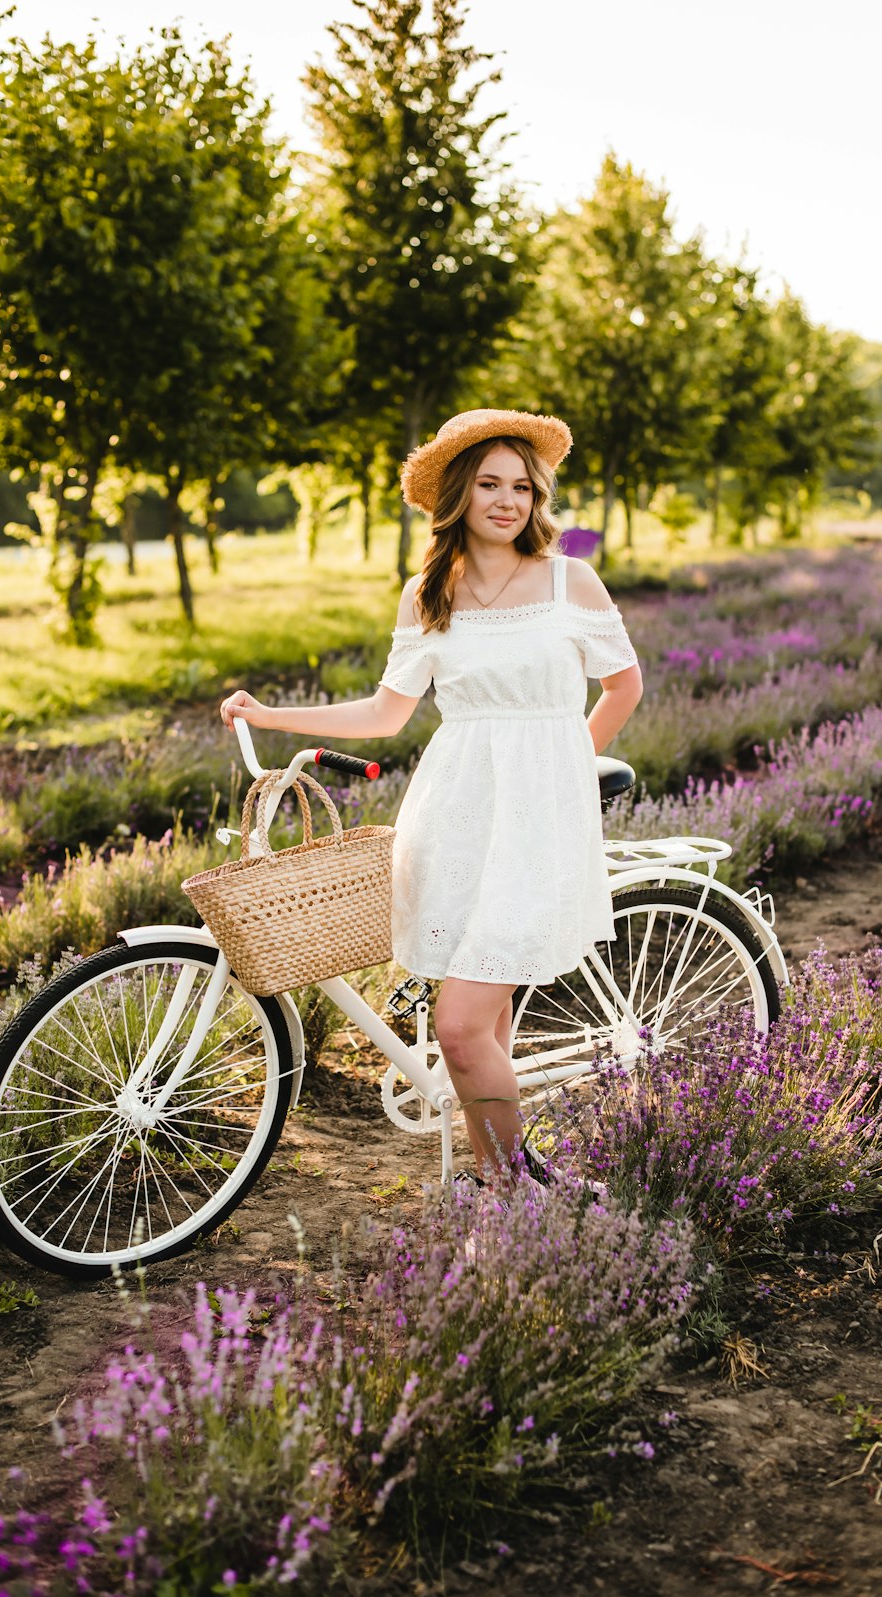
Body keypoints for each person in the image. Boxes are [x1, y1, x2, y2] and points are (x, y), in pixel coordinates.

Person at [220, 408, 643, 1181]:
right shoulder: (428, 593)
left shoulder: (567, 579)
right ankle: (495, 1182)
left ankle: (518, 1189)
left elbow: (623, 686)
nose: (509, 500)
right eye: (489, 483)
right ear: (458, 494)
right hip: (456, 815)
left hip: (541, 821)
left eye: (522, 485)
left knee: (456, 1024)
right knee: (483, 1017)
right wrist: (271, 714)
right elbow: (386, 712)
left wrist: (562, 773)